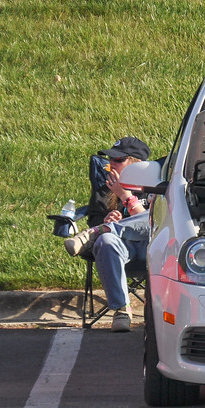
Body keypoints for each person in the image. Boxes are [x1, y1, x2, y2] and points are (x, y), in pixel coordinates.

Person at [64, 136, 151, 333]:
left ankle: (94, 234)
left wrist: (125, 197)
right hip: (122, 248)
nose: (111, 163)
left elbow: (156, 224)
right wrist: (105, 221)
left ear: (136, 164)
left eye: (119, 160)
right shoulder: (106, 187)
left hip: (151, 246)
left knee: (152, 220)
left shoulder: (153, 187)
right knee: (105, 240)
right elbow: (94, 217)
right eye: (110, 158)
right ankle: (121, 310)